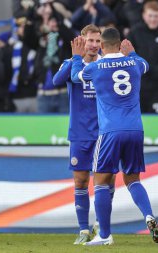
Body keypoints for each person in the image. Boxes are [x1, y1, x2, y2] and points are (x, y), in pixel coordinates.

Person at [71, 28, 158, 246]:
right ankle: (149, 216)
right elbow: (146, 65)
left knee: (101, 181)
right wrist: (131, 53)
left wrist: (76, 56)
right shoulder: (134, 64)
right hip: (135, 130)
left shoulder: (95, 67)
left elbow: (76, 77)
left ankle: (105, 235)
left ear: (102, 46)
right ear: (120, 44)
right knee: (133, 179)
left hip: (111, 131)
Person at [53, 25, 115, 244]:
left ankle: (101, 225)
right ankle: (82, 230)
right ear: (82, 40)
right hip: (80, 133)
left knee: (106, 180)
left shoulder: (107, 64)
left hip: (105, 132)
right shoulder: (72, 63)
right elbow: (56, 81)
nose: (94, 45)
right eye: (90, 41)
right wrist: (73, 59)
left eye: (98, 41)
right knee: (80, 181)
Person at [127, 0, 158, 113]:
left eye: (156, 16)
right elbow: (129, 55)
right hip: (138, 86)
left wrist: (156, 70)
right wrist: (143, 69)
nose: (153, 19)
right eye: (150, 15)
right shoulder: (134, 32)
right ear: (144, 15)